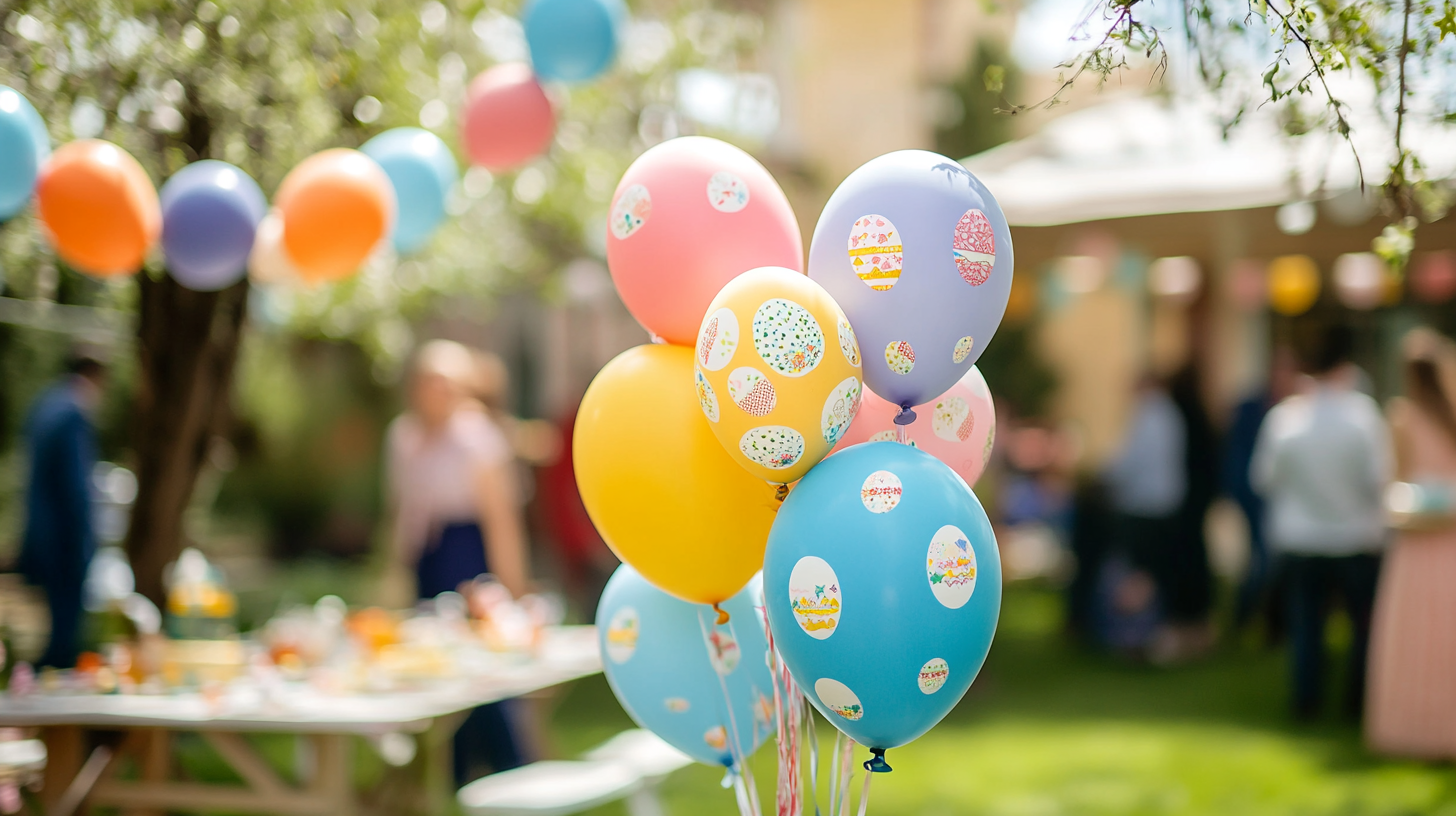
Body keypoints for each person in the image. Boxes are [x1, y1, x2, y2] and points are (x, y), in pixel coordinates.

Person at [384, 339, 529, 784]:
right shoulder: (404, 437)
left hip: (468, 556)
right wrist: (393, 568)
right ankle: (454, 775)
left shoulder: (477, 438)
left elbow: (500, 519)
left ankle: (509, 774)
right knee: (435, 663)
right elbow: (402, 509)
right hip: (427, 555)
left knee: (482, 670)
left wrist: (515, 587)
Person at [1251, 324, 1389, 720]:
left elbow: (1263, 478)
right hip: (1354, 539)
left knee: (1306, 625)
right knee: (1362, 627)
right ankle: (1355, 701)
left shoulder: (1285, 418)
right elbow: (1377, 479)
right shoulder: (1363, 417)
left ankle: (1306, 700)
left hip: (1300, 539)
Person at [1365, 328, 1456, 757]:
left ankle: (1419, 730)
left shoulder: (1403, 417)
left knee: (1419, 632)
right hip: (1448, 541)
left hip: (1421, 542)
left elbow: (1396, 481)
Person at [18, 350, 107, 668]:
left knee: (51, 624)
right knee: (64, 636)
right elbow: (76, 484)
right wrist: (87, 536)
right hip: (65, 536)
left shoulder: (45, 404)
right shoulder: (74, 412)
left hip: (40, 531)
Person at [1101, 374, 1186, 654]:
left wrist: (1104, 476)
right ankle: (1150, 634)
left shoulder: (1148, 415)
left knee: (1138, 576)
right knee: (1155, 573)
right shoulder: (1171, 414)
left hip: (1142, 507)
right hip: (1165, 506)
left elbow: (1131, 462)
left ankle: (1136, 637)